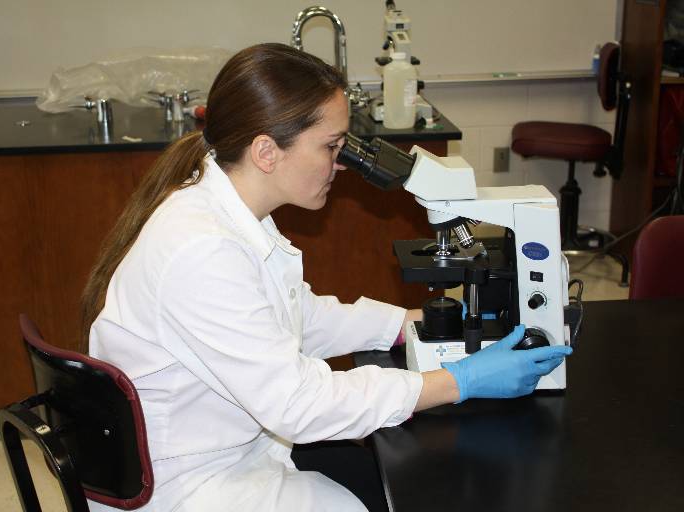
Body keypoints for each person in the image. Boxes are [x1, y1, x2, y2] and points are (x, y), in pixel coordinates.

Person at [81, 43, 572, 512]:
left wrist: (410, 322)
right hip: (191, 484)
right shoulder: (203, 250)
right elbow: (299, 404)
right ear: (266, 152)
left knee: (377, 470)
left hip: (228, 442)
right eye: (332, 146)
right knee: (409, 493)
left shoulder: (225, 209)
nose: (342, 162)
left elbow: (299, 316)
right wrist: (456, 382)